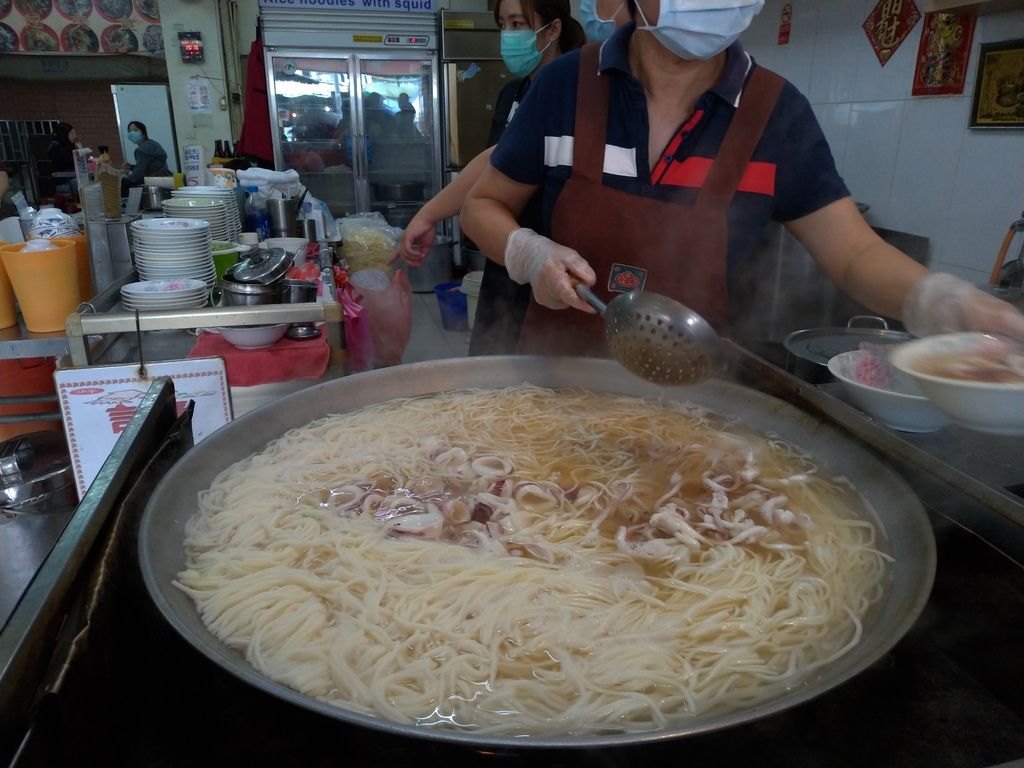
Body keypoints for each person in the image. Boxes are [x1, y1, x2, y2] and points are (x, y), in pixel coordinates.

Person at [460, 0, 1024, 356]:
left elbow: (853, 254)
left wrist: (953, 304)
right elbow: (482, 206)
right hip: (552, 393)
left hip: (691, 405)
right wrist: (530, 255)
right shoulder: (564, 86)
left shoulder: (776, 113)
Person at [396, 0, 587, 355]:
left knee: (539, 380)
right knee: (492, 368)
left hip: (555, 264)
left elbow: (492, 160)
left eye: (518, 24)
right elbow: (492, 165)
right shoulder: (511, 94)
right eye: (503, 24)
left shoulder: (577, 89)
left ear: (554, 29)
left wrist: (429, 214)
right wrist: (429, 214)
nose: (508, 36)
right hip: (506, 254)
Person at [123, 121, 170, 187]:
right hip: (165, 180)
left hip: (154, 183)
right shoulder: (153, 144)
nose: (132, 133)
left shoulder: (142, 149)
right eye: (129, 131)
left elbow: (137, 174)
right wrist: (131, 167)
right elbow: (150, 166)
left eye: (135, 130)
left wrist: (123, 180)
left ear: (143, 133)